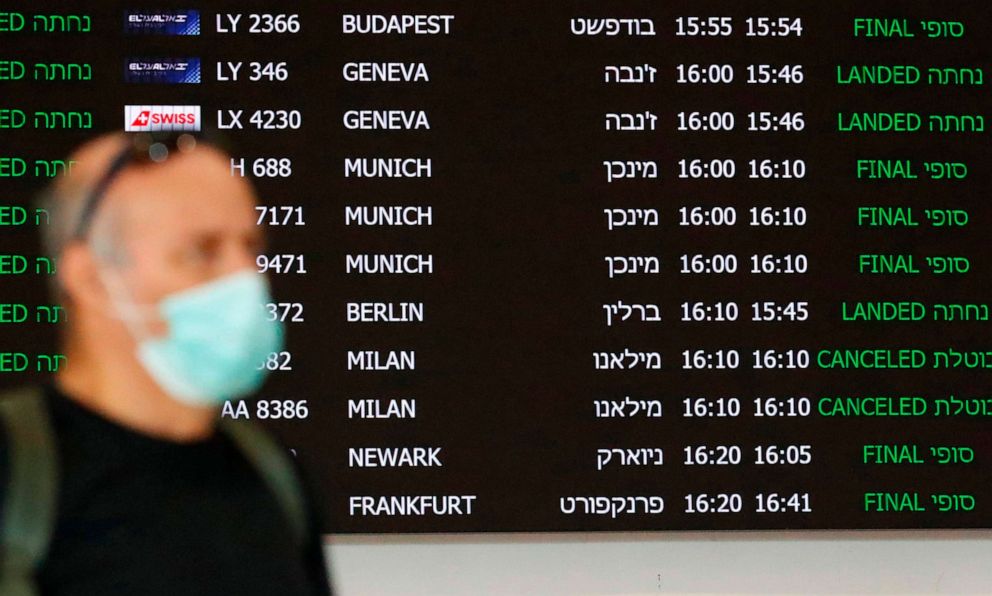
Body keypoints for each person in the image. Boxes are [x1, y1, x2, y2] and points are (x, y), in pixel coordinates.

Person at [0, 131, 332, 595]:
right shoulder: (18, 473)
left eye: (251, 248)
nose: (246, 279)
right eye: (202, 252)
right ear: (91, 278)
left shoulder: (272, 477)